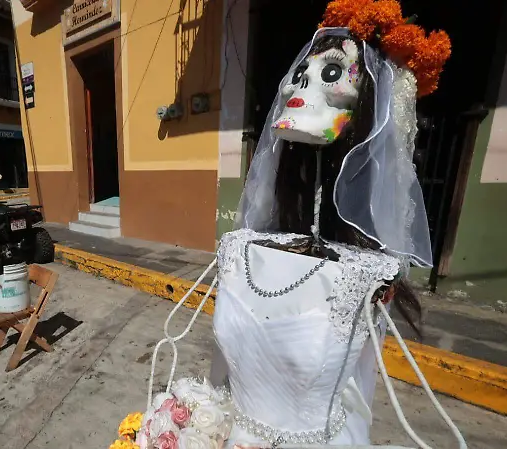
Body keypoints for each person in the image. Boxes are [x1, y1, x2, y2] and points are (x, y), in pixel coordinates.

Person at [113, 1, 468, 449]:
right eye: (300, 77)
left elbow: (359, 390)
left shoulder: (364, 277)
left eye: (333, 74)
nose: (301, 88)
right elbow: (221, 375)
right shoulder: (241, 248)